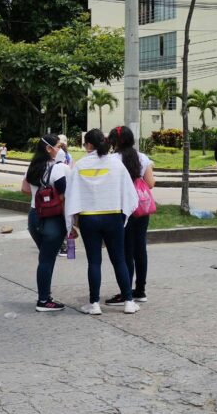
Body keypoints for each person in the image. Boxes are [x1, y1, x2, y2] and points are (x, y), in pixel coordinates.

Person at [64, 129, 140, 316]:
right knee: (119, 260)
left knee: (94, 262)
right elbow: (130, 194)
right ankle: (129, 301)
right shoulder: (117, 164)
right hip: (113, 216)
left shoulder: (80, 165)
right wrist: (123, 216)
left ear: (89, 145)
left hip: (89, 218)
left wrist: (71, 223)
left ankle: (94, 304)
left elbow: (71, 195)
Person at [106, 126, 155, 306]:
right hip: (140, 208)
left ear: (113, 142)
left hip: (121, 209)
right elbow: (150, 183)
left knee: (125, 250)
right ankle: (140, 290)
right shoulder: (142, 158)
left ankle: (125, 292)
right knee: (139, 248)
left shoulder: (112, 159)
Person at [20, 134, 69, 312]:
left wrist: (39, 195)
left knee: (45, 258)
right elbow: (64, 197)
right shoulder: (59, 169)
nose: (61, 149)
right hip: (52, 219)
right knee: (46, 260)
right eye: (58, 146)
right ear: (49, 148)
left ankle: (45, 296)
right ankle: (43, 300)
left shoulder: (32, 167)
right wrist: (71, 224)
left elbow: (24, 189)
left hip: (34, 217)